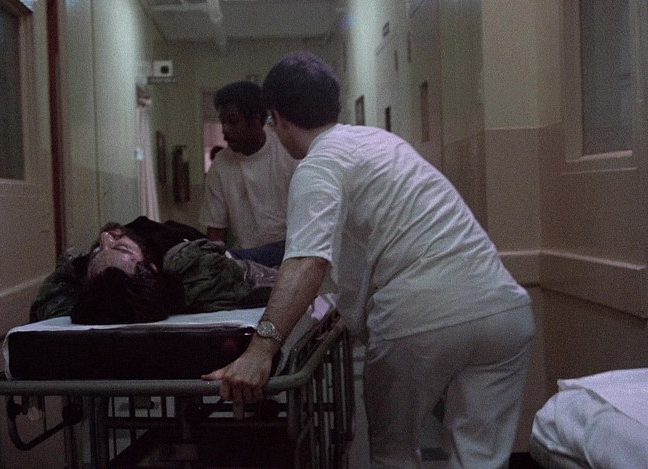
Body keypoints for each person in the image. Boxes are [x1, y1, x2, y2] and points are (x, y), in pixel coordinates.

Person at [201, 51, 535, 469]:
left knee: (395, 454)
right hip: (502, 311)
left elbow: (307, 262)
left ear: (278, 118)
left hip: (421, 318)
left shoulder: (318, 165)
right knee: (480, 459)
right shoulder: (381, 142)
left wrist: (260, 350)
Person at [30, 217, 279, 324]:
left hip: (201, 246)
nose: (105, 237)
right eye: (121, 247)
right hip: (228, 259)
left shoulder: (96, 282)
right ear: (150, 268)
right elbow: (271, 282)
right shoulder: (190, 270)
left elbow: (48, 303)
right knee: (290, 251)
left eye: (95, 252)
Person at [200, 81, 298, 267]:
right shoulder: (220, 165)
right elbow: (216, 231)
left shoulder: (288, 150)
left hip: (292, 252)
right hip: (247, 260)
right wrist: (212, 267)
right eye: (223, 122)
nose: (225, 130)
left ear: (256, 119)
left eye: (232, 121)